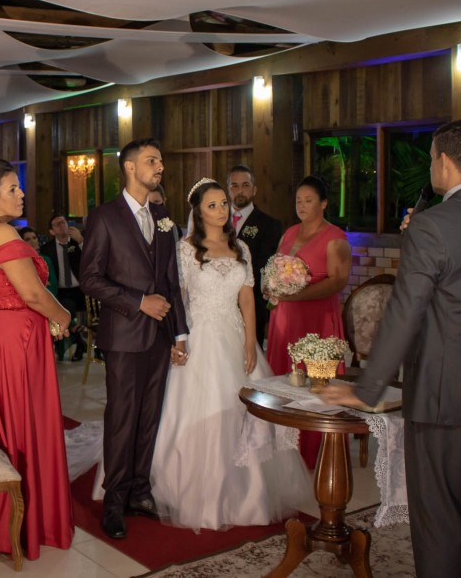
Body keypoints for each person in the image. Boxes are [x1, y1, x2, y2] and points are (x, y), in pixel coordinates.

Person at [323, 121, 461, 578]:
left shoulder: (433, 225)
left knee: (439, 518)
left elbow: (406, 311)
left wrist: (367, 387)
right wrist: (418, 236)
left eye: (432, 160)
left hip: (443, 398)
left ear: (444, 162)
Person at [150, 179, 308, 530]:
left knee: (246, 411)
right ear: (198, 212)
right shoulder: (185, 249)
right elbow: (180, 299)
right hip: (200, 337)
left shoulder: (241, 248)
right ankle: (199, 490)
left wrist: (251, 339)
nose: (221, 210)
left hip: (235, 335)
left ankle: (251, 492)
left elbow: (247, 296)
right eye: (212, 205)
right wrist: (178, 338)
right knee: (206, 410)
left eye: (223, 203)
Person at [0, 158, 74, 560]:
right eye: (12, 189)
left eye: (19, 187)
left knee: (5, 430)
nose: (21, 194)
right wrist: (63, 316)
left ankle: (2, 520)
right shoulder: (1, 231)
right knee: (23, 429)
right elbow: (32, 294)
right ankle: (27, 524)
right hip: (15, 338)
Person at [79, 138, 188, 540]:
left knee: (149, 416)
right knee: (122, 418)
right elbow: (90, 279)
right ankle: (114, 500)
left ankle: (140, 492)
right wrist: (139, 302)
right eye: (151, 160)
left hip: (159, 335)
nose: (160, 166)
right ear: (129, 167)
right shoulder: (104, 217)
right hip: (124, 335)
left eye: (160, 160)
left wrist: (179, 332)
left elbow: (171, 281)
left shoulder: (163, 216)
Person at [265, 175, 351, 469]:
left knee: (314, 383)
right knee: (283, 377)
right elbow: (275, 269)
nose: (302, 205)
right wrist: (271, 287)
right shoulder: (289, 233)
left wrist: (297, 295)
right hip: (284, 317)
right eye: (298, 200)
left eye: (309, 200)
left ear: (323, 203)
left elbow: (338, 281)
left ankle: (315, 451)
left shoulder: (335, 237)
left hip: (316, 320)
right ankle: (283, 452)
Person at [227, 165, 284, 346]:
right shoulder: (216, 221)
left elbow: (264, 266)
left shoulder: (270, 225)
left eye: (245, 185)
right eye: (234, 186)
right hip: (220, 303)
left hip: (252, 303)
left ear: (254, 189)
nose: (240, 191)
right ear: (228, 189)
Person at [40, 215, 87, 361]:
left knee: (101, 308)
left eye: (63, 222)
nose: (61, 225)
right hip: (63, 292)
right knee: (64, 314)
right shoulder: (47, 249)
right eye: (57, 224)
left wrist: (81, 241)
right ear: (52, 231)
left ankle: (98, 346)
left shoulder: (77, 241)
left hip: (83, 289)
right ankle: (80, 341)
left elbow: (92, 258)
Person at [18, 227, 57, 296]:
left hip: (48, 298)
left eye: (34, 238)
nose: (32, 241)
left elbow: (53, 285)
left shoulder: (45, 259)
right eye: (27, 239)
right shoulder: (20, 262)